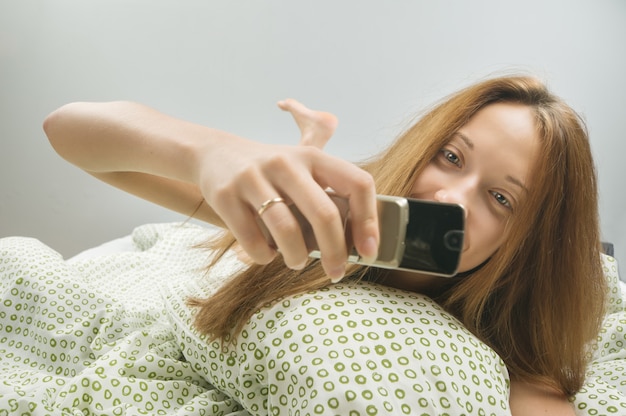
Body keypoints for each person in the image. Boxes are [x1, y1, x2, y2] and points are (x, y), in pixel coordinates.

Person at [43, 75, 607, 415]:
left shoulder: (517, 334)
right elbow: (66, 130)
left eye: (501, 200)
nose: (451, 198)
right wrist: (210, 151)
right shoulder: (323, 215)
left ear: (528, 245)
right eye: (451, 157)